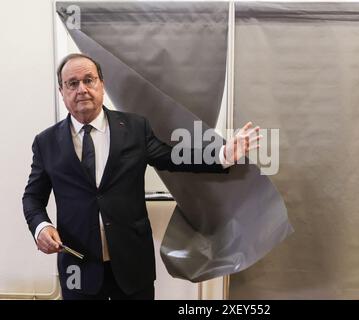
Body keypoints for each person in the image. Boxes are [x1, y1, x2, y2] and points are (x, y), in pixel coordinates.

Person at [22, 53, 260, 300]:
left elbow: (172, 157)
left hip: (132, 265)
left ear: (102, 84)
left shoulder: (135, 128)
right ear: (61, 91)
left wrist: (223, 154)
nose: (81, 89)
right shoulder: (46, 142)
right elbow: (32, 198)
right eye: (72, 83)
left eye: (89, 80)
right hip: (78, 266)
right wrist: (41, 227)